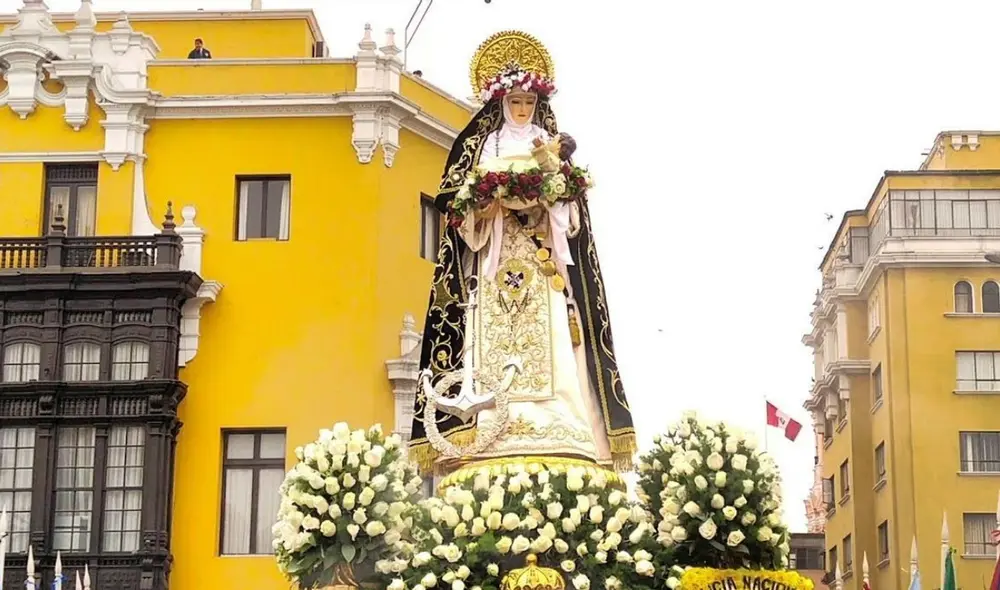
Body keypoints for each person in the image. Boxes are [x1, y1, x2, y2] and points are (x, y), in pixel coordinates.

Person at [408, 31, 635, 474]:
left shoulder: (550, 149)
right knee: (487, 338)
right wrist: (488, 202)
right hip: (494, 266)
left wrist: (551, 193)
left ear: (538, 104)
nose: (522, 110)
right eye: (514, 102)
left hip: (541, 262)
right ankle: (491, 430)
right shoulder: (483, 148)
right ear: (499, 103)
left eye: (529, 103)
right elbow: (459, 215)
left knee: (552, 336)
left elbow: (572, 220)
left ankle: (559, 430)